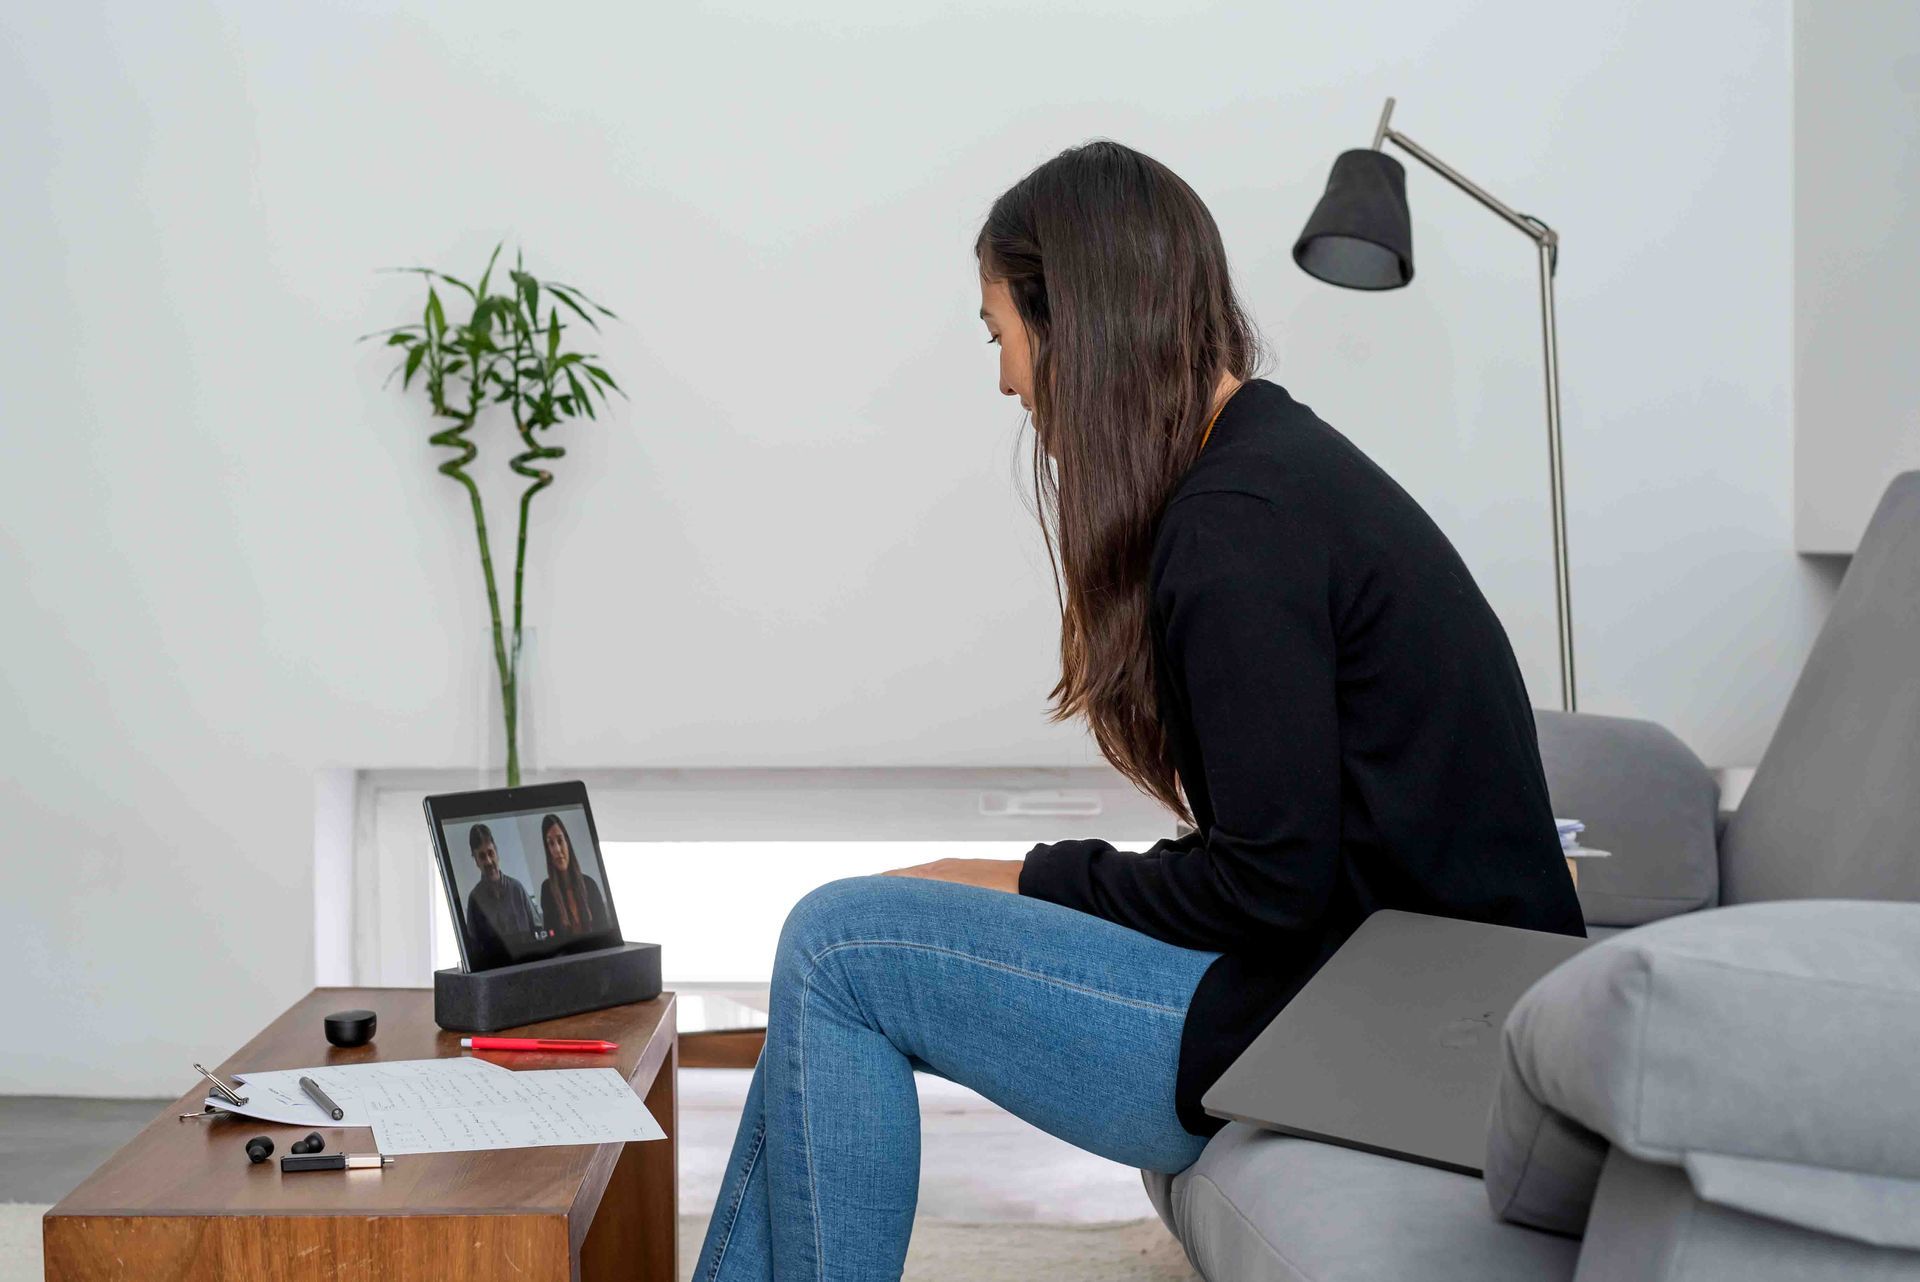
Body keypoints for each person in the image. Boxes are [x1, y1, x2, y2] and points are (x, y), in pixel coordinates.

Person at [694, 140, 1586, 1280]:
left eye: (998, 333)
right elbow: (1288, 857)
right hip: (1388, 999)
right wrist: (1033, 880)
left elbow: (1268, 886)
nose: (1006, 380)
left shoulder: (1237, 525)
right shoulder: (1272, 469)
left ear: (1074, 323)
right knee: (844, 939)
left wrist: (1028, 875)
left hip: (1390, 1030)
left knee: (839, 939)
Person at [462, 823, 536, 968]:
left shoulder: (518, 889)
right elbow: (474, 952)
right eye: (482, 856)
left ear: (497, 852)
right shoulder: (474, 900)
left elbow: (537, 933)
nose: (489, 861)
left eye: (490, 853)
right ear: (476, 861)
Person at [537, 813, 608, 940]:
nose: (557, 849)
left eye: (560, 840)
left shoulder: (590, 884)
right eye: (551, 844)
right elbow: (551, 940)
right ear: (547, 850)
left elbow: (605, 933)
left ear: (567, 842)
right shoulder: (547, 890)